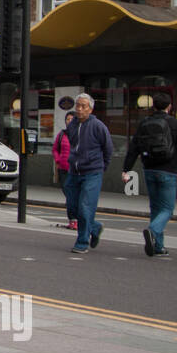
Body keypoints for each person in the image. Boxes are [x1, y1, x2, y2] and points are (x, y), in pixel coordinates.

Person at [122, 92, 177, 257]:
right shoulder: (176, 124)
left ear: (153, 106)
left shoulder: (144, 123)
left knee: (155, 208)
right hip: (167, 170)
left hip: (149, 169)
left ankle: (158, 246)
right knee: (167, 209)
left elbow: (134, 147)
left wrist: (126, 168)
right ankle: (153, 230)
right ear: (169, 107)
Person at [66, 92, 113, 255]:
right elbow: (73, 144)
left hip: (92, 172)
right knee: (72, 207)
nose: (79, 109)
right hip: (74, 171)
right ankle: (95, 227)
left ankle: (82, 241)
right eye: (77, 105)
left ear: (90, 109)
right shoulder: (72, 125)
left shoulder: (98, 126)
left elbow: (108, 149)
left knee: (85, 207)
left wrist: (101, 167)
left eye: (83, 106)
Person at [53, 111, 77, 230]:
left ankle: (75, 220)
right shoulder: (62, 134)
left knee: (74, 196)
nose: (70, 121)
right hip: (63, 169)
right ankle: (73, 220)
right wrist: (58, 160)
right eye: (68, 119)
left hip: (76, 170)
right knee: (68, 195)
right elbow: (55, 149)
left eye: (72, 119)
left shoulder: (80, 134)